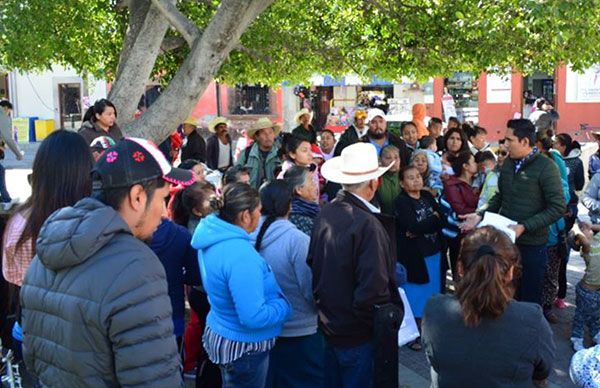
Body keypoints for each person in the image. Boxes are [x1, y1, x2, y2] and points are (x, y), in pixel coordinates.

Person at [20, 137, 194, 386]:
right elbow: (154, 380)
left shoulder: (44, 253)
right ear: (137, 197)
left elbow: (34, 360)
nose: (166, 212)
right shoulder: (136, 266)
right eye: (163, 199)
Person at [310, 142, 402, 388]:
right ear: (374, 184)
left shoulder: (326, 212)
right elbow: (373, 290)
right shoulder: (367, 224)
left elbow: (314, 266)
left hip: (332, 326)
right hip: (357, 335)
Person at [422, 226, 555, 387]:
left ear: (460, 268)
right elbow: (543, 370)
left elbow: (432, 357)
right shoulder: (532, 320)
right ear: (510, 272)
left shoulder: (434, 309)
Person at [2, 130, 93, 358]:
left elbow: (13, 277)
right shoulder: (98, 221)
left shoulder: (20, 224)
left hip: (31, 330)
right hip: (83, 336)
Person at [191, 183, 291, 388]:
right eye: (259, 211)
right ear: (245, 215)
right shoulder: (240, 256)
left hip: (222, 331)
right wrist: (284, 307)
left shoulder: (212, 235)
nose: (260, 216)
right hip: (244, 346)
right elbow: (252, 317)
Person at [461, 119, 566, 305]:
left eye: (509, 140)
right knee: (505, 296)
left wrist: (525, 227)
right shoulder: (508, 163)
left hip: (532, 246)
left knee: (529, 300)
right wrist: (479, 215)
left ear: (525, 142)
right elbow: (501, 196)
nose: (505, 144)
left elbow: (558, 207)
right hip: (506, 243)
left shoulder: (546, 167)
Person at [250, 180, 323, 388]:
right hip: (301, 331)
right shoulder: (297, 240)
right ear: (289, 205)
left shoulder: (248, 235)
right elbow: (310, 288)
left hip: (265, 331)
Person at [395, 165, 444, 351]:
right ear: (402, 183)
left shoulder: (427, 196)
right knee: (415, 293)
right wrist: (434, 219)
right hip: (415, 256)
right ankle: (414, 333)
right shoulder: (401, 202)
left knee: (432, 292)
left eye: (418, 176)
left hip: (434, 252)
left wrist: (427, 224)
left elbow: (443, 220)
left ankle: (429, 330)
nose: (416, 180)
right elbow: (411, 226)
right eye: (410, 177)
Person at [150, 217, 200, 349]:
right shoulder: (181, 234)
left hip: (135, 319)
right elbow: (195, 277)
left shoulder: (123, 238)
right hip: (172, 313)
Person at [536, 134, 570, 324]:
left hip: (553, 239)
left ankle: (547, 307)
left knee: (551, 276)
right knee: (533, 274)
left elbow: (560, 201)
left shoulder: (561, 185)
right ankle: (533, 307)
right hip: (532, 238)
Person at [443, 151, 480, 280]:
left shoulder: (478, 182)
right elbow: (460, 210)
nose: (477, 164)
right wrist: (480, 212)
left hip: (475, 231)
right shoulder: (452, 185)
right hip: (459, 233)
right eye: (474, 161)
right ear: (465, 166)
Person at [569, 222, 600, 352]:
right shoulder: (585, 248)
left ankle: (595, 334)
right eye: (584, 229)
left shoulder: (597, 239)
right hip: (586, 291)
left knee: (596, 315)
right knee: (581, 316)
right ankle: (576, 338)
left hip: (597, 290)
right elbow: (580, 237)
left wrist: (588, 226)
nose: (588, 228)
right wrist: (577, 228)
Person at [236, 117, 282, 189]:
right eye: (264, 133)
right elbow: (236, 176)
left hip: (275, 197)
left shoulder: (280, 153)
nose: (268, 136)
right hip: (252, 196)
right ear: (257, 137)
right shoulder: (246, 154)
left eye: (270, 132)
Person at [284, 165, 320, 236]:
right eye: (311, 181)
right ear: (299, 190)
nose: (315, 184)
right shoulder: (297, 217)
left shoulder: (311, 209)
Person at [0, 100, 24, 207]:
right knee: (1, 171)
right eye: (9, 112)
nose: (9, 115)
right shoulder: (2, 115)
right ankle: (6, 199)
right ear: (5, 108)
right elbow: (7, 138)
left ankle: (4, 198)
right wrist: (18, 154)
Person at [375, 145, 401, 216]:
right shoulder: (375, 178)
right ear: (380, 160)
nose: (393, 161)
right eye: (388, 158)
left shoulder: (404, 175)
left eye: (396, 158)